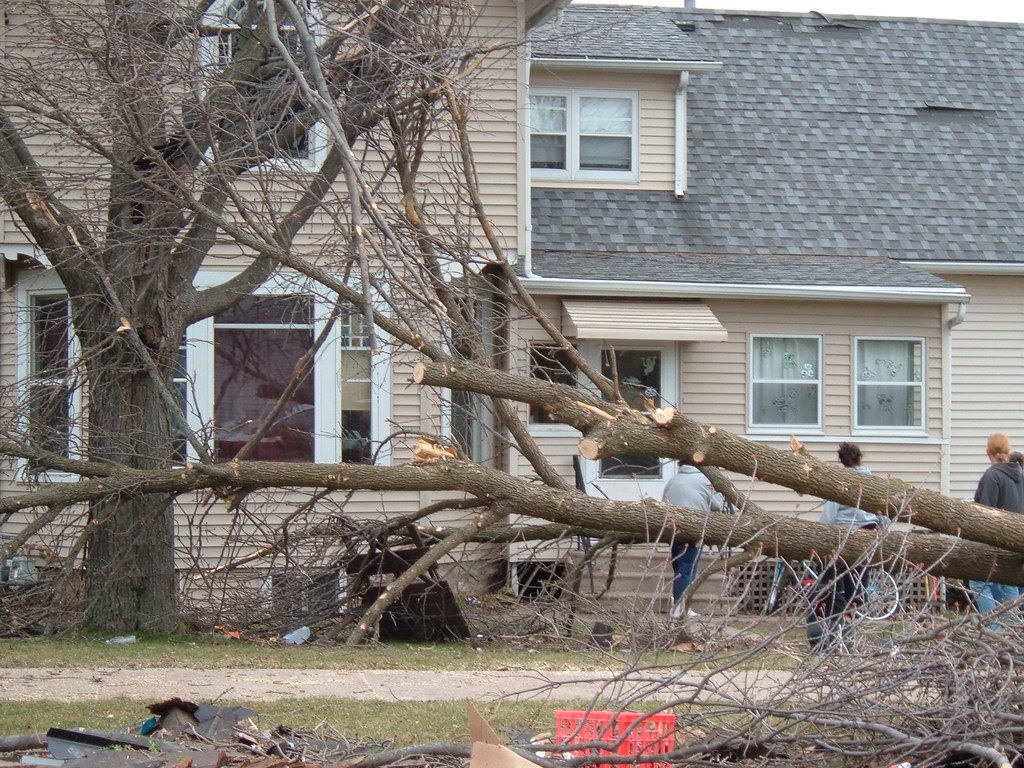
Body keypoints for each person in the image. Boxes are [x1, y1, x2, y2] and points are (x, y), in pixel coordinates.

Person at [808, 442, 891, 650]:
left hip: (842, 537)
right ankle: (848, 627)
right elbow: (884, 509)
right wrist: (882, 528)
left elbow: (829, 515)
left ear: (841, 460)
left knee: (834, 583)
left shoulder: (840, 481)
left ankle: (835, 629)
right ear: (860, 458)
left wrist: (822, 536)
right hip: (867, 534)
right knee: (856, 585)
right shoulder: (872, 481)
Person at [969, 433, 1024, 619]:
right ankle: (1013, 627)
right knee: (1008, 584)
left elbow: (984, 513)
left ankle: (994, 627)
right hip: (1016, 540)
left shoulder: (993, 476)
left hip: (995, 540)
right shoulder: (1020, 475)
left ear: (988, 452)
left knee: (979, 583)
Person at [662, 462, 724, 619]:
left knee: (678, 568)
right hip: (693, 529)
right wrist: (720, 492)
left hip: (672, 529)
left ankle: (678, 603)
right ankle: (680, 608)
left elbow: (663, 502)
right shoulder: (705, 480)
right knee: (687, 569)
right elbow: (717, 505)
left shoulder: (674, 479)